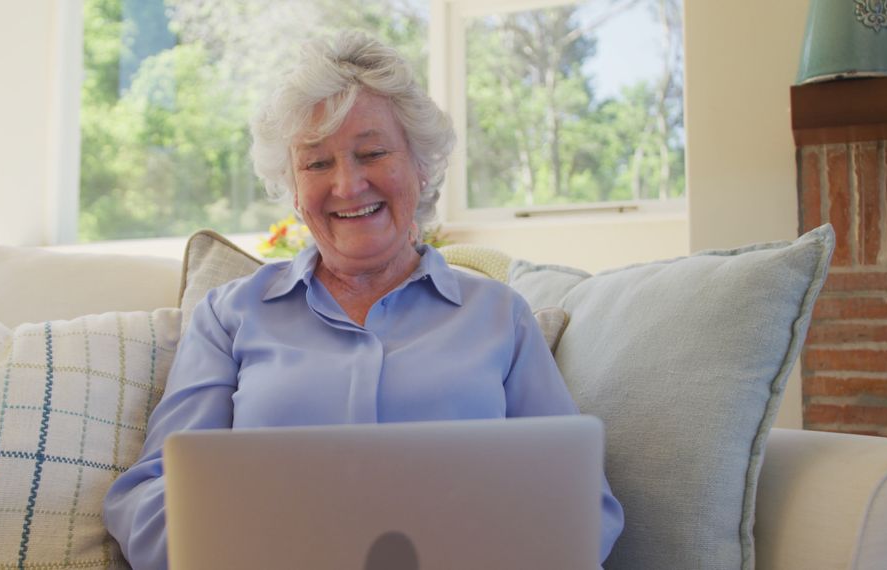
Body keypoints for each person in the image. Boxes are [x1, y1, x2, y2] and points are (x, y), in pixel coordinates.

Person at [103, 30, 624, 569]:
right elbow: (150, 495)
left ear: (421, 168)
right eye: (316, 163)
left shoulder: (500, 317)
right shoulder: (229, 315)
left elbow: (584, 504)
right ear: (292, 187)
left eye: (372, 153)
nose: (348, 185)